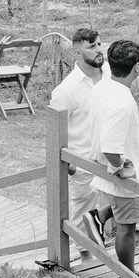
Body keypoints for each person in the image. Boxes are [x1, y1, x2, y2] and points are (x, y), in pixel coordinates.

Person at [85, 40, 139, 278]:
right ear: (137, 68)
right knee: (126, 229)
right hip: (120, 174)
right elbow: (110, 146)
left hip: (107, 165)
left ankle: (100, 215)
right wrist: (121, 166)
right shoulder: (123, 103)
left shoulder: (103, 85)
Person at [49, 28, 104, 258]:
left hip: (112, 158)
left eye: (100, 44)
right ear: (77, 50)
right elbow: (55, 133)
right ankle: (87, 262)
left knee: (132, 203)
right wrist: (71, 167)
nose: (99, 50)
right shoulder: (65, 90)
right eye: (91, 46)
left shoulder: (110, 76)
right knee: (82, 217)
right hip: (84, 163)